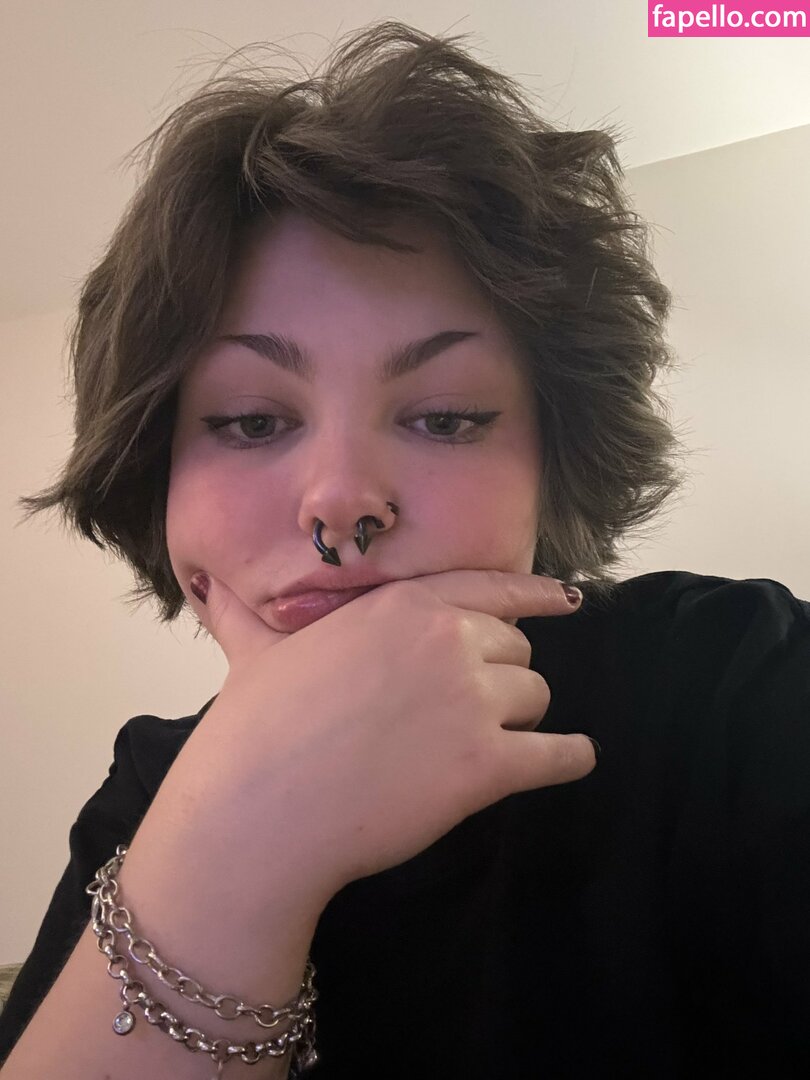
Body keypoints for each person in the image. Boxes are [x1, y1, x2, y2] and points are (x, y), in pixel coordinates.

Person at [1, 19, 808, 1080]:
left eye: (447, 418)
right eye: (250, 421)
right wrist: (232, 840)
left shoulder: (733, 679)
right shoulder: (144, 787)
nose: (341, 504)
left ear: (553, 465)